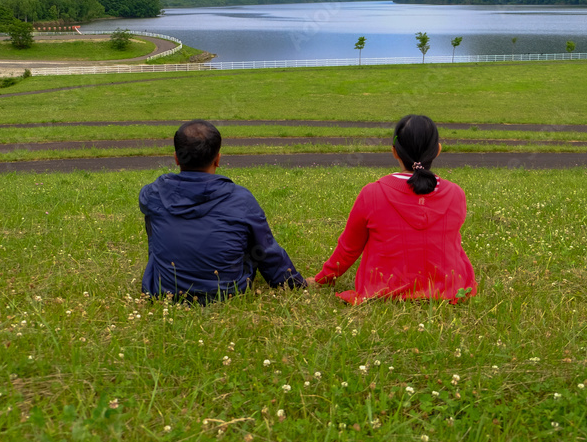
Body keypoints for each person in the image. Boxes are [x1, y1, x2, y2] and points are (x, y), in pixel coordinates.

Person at [314, 114, 477, 305]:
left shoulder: (372, 193)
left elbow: (349, 248)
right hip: (450, 290)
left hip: (382, 291)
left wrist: (322, 279)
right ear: (438, 150)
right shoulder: (456, 194)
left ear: (394, 152)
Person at [140, 119, 307, 302]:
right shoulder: (241, 199)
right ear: (218, 159)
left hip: (165, 290)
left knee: (155, 215)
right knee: (252, 239)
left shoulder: (153, 193)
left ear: (176, 158)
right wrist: (293, 282)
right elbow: (265, 250)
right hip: (226, 292)